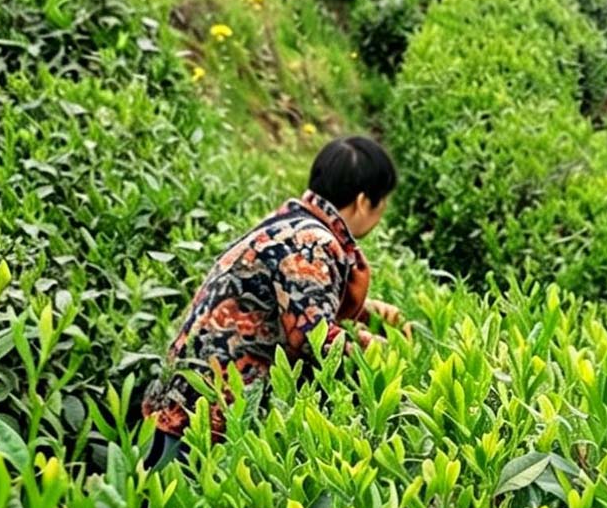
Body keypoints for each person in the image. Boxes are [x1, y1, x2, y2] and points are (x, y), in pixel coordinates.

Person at [140, 135, 408, 469]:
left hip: (188, 395)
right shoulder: (311, 243)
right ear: (363, 201)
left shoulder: (291, 225)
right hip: (205, 410)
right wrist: (385, 355)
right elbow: (314, 336)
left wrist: (369, 313)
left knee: (150, 506)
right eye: (382, 203)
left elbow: (293, 298)